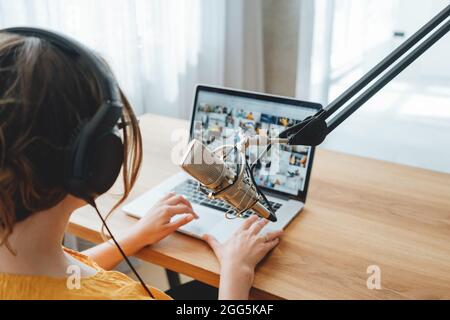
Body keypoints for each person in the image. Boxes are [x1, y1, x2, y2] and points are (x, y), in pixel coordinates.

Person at [0, 32, 283, 300]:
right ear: (95, 160)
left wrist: (134, 237)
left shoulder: (22, 254)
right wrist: (236, 273)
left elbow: (62, 278)